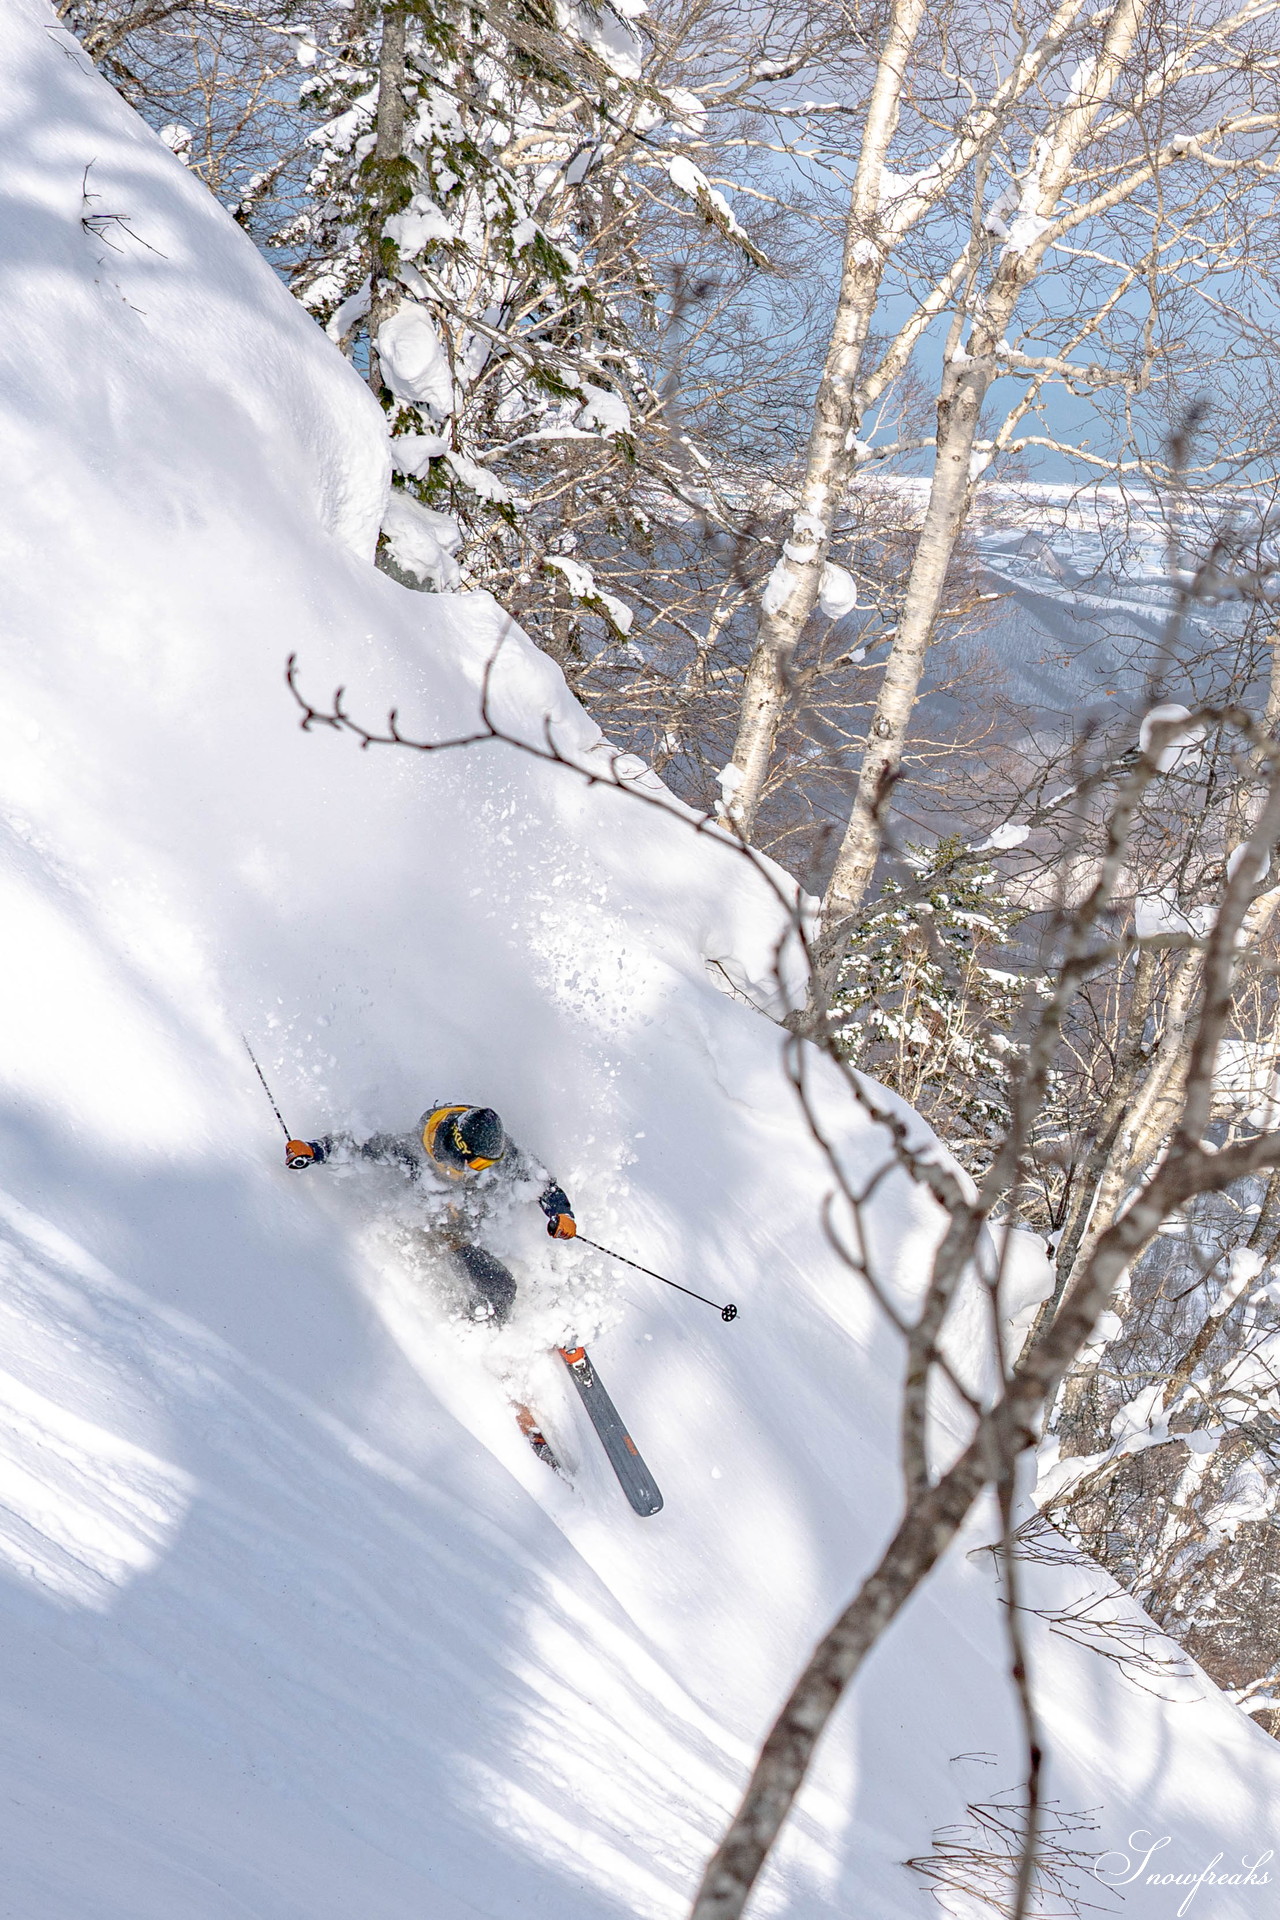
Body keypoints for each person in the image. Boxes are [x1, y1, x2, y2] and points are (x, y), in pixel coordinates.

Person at [286, 1103, 575, 1324]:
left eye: (488, 1164)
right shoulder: (414, 1151)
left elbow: (541, 1182)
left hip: (475, 1222)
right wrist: (314, 1150)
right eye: (477, 1165)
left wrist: (561, 1214)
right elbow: (362, 1147)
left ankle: (543, 1315)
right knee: (500, 1287)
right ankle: (480, 1340)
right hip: (438, 1231)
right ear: (459, 1150)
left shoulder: (499, 1152)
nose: (483, 1170)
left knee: (525, 1267)